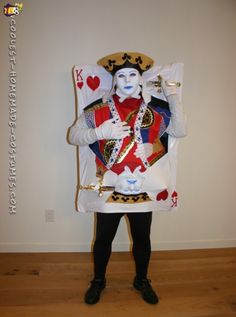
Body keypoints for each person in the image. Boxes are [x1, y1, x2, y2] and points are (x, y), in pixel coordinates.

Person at [69, 52, 186, 305]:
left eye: (132, 73)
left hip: (145, 187)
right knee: (103, 238)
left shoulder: (157, 107)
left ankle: (141, 279)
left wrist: (172, 97)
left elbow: (180, 131)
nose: (127, 79)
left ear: (141, 78)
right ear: (114, 81)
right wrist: (99, 131)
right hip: (110, 188)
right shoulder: (97, 110)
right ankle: (99, 280)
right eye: (121, 75)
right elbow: (74, 136)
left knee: (143, 238)